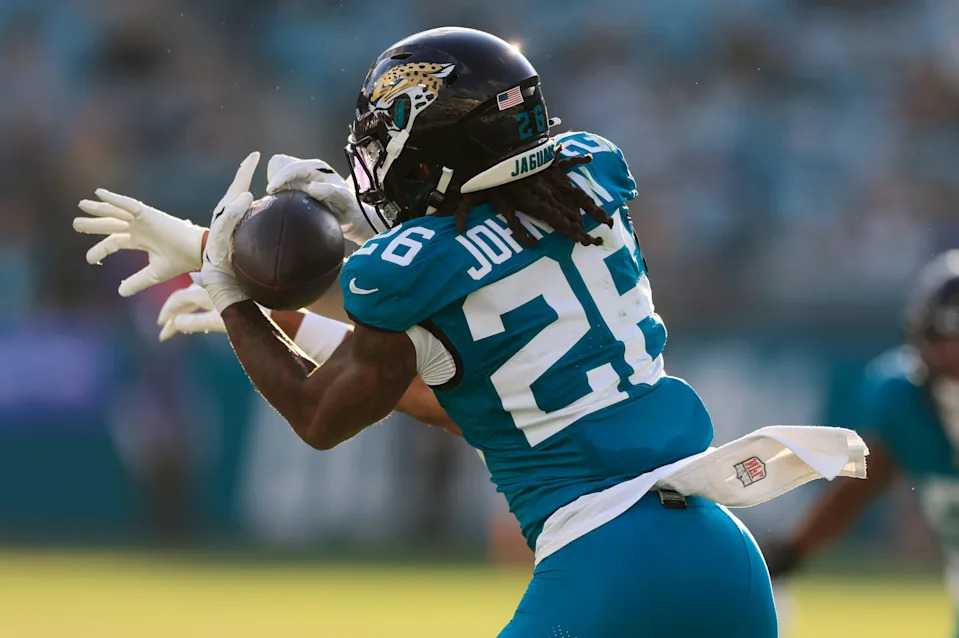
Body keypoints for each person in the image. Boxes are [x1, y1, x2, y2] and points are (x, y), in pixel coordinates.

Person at [74, 26, 798, 636]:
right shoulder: (588, 174)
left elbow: (319, 413)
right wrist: (229, 262)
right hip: (721, 554)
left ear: (429, 151)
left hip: (604, 560)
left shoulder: (409, 269)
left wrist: (232, 290)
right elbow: (454, 381)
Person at [764, 250, 959, 632]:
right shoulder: (905, 400)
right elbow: (858, 489)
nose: (951, 355)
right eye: (943, 339)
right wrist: (788, 556)